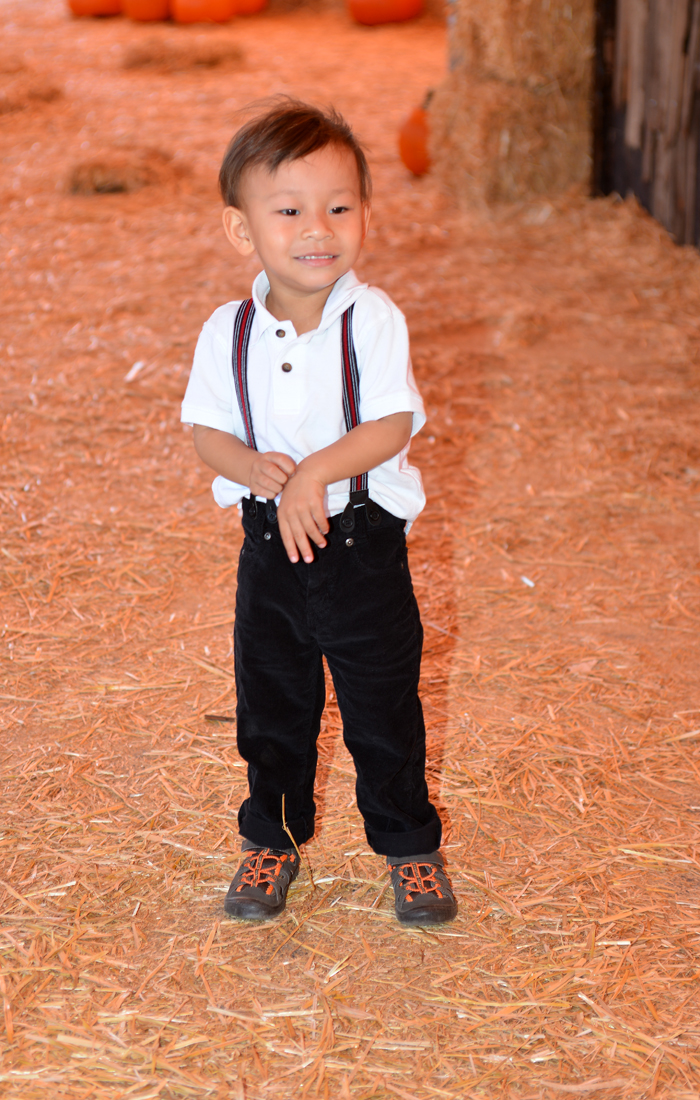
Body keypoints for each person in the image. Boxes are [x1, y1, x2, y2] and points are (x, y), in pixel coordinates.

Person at [180, 100, 457, 926]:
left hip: (361, 549)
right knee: (271, 704)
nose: (318, 229)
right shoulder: (226, 331)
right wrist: (252, 468)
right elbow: (206, 430)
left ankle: (410, 846)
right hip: (268, 553)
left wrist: (315, 476)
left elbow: (393, 422)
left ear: (365, 214)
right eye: (291, 210)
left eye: (340, 207)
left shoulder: (370, 319)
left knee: (382, 707)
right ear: (243, 231)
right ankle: (271, 836)